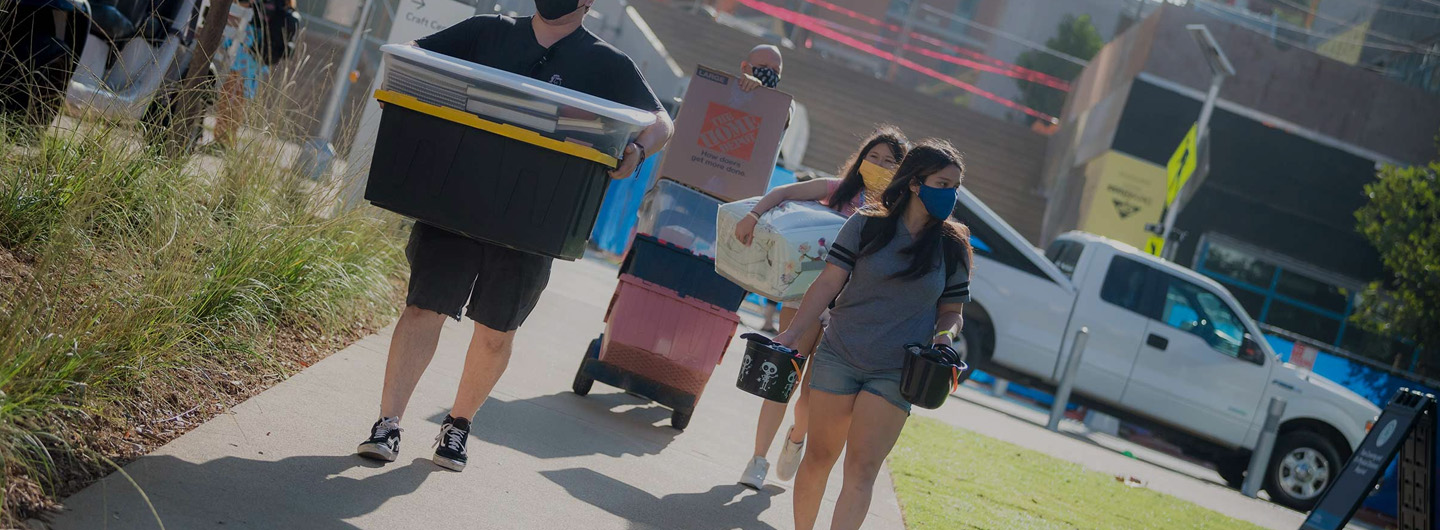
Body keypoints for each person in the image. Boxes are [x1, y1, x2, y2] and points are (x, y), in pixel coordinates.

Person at [354, 0, 675, 472]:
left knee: (495, 333)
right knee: (424, 308)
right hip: (455, 201)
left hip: (535, 220)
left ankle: (457, 426)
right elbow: (411, 53)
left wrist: (637, 150)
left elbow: (660, 121)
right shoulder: (488, 32)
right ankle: (388, 424)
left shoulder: (607, 63)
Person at [775, 139, 972, 530]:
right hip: (839, 354)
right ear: (916, 183)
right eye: (943, 183)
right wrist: (796, 332)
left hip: (897, 372)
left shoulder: (952, 246)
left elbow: (952, 310)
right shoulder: (866, 224)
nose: (950, 194)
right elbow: (828, 282)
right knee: (818, 459)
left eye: (955, 186)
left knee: (861, 470)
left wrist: (944, 336)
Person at [733, 126, 909, 489]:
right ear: (860, 159)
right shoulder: (837, 190)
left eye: (889, 162)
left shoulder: (896, 216)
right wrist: (753, 215)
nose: (877, 166)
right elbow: (783, 192)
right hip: (803, 299)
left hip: (847, 313)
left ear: (902, 172)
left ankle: (797, 437)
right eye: (872, 157)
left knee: (812, 394)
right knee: (782, 379)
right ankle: (757, 459)